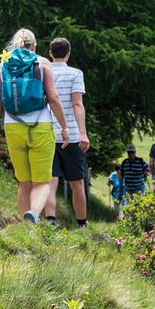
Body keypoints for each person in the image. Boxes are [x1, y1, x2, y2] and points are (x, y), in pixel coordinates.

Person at [0, 29, 72, 223]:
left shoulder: (3, 65)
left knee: (24, 182)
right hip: (40, 126)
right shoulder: (42, 63)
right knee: (43, 182)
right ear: (34, 46)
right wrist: (64, 128)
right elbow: (53, 98)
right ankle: (34, 212)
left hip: (13, 127)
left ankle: (25, 229)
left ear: (15, 45)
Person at [39, 38, 90, 227]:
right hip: (72, 135)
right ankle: (82, 223)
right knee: (77, 183)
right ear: (68, 54)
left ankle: (51, 221)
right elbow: (77, 104)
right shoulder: (75, 73)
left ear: (50, 53)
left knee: (50, 181)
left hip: (47, 133)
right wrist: (83, 133)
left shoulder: (43, 72)